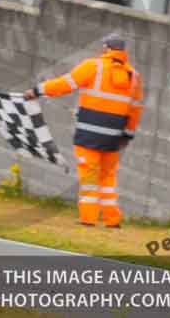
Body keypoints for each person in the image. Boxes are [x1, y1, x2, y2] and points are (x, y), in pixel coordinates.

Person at [24, 34, 143, 228]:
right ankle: (112, 220)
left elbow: (64, 84)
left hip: (88, 133)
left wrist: (38, 90)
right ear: (123, 52)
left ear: (106, 49)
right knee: (108, 176)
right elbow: (135, 108)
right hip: (113, 137)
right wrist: (128, 134)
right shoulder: (134, 77)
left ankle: (88, 218)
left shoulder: (93, 67)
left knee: (89, 176)